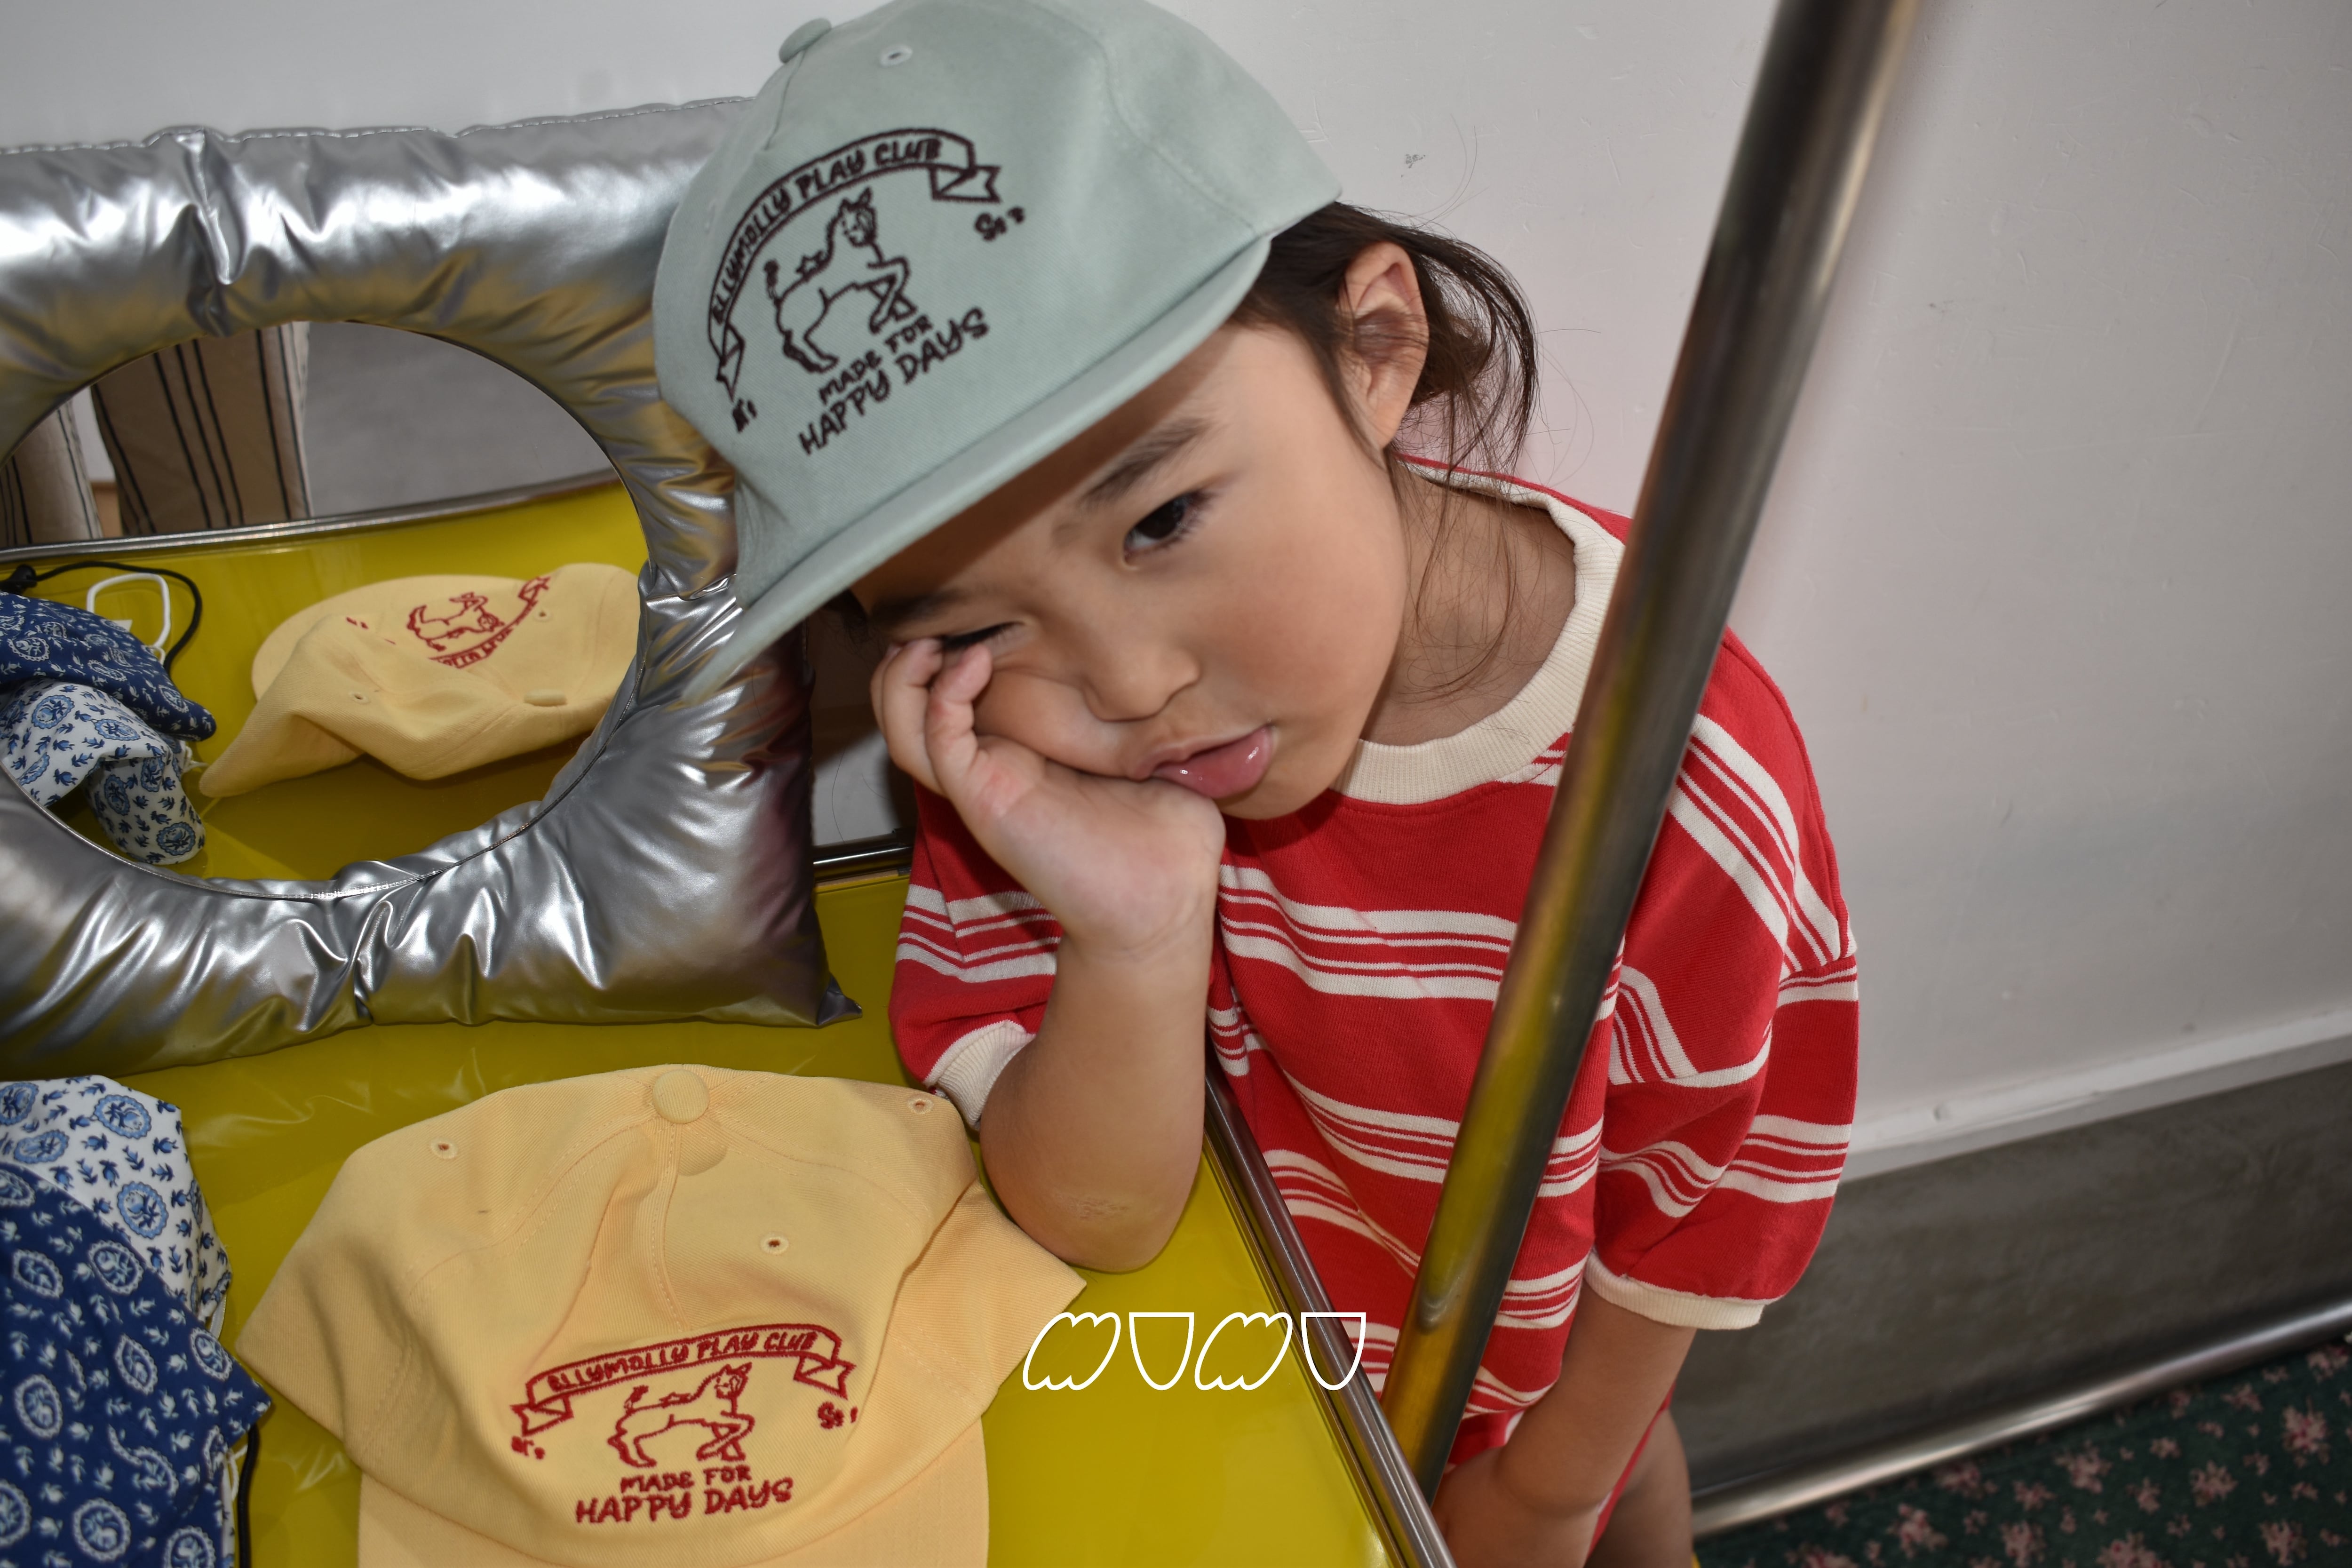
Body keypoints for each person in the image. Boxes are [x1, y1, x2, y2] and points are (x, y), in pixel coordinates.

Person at [652, 3, 1858, 1562]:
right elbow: (1099, 1216)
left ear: (1377, 347)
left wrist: (1555, 1487)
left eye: (1160, 521)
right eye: (975, 625)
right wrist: (1138, 933)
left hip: (1560, 1388)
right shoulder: (1020, 766)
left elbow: (1708, 1203)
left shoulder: (1674, 776)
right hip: (1270, 1358)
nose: (1126, 686)